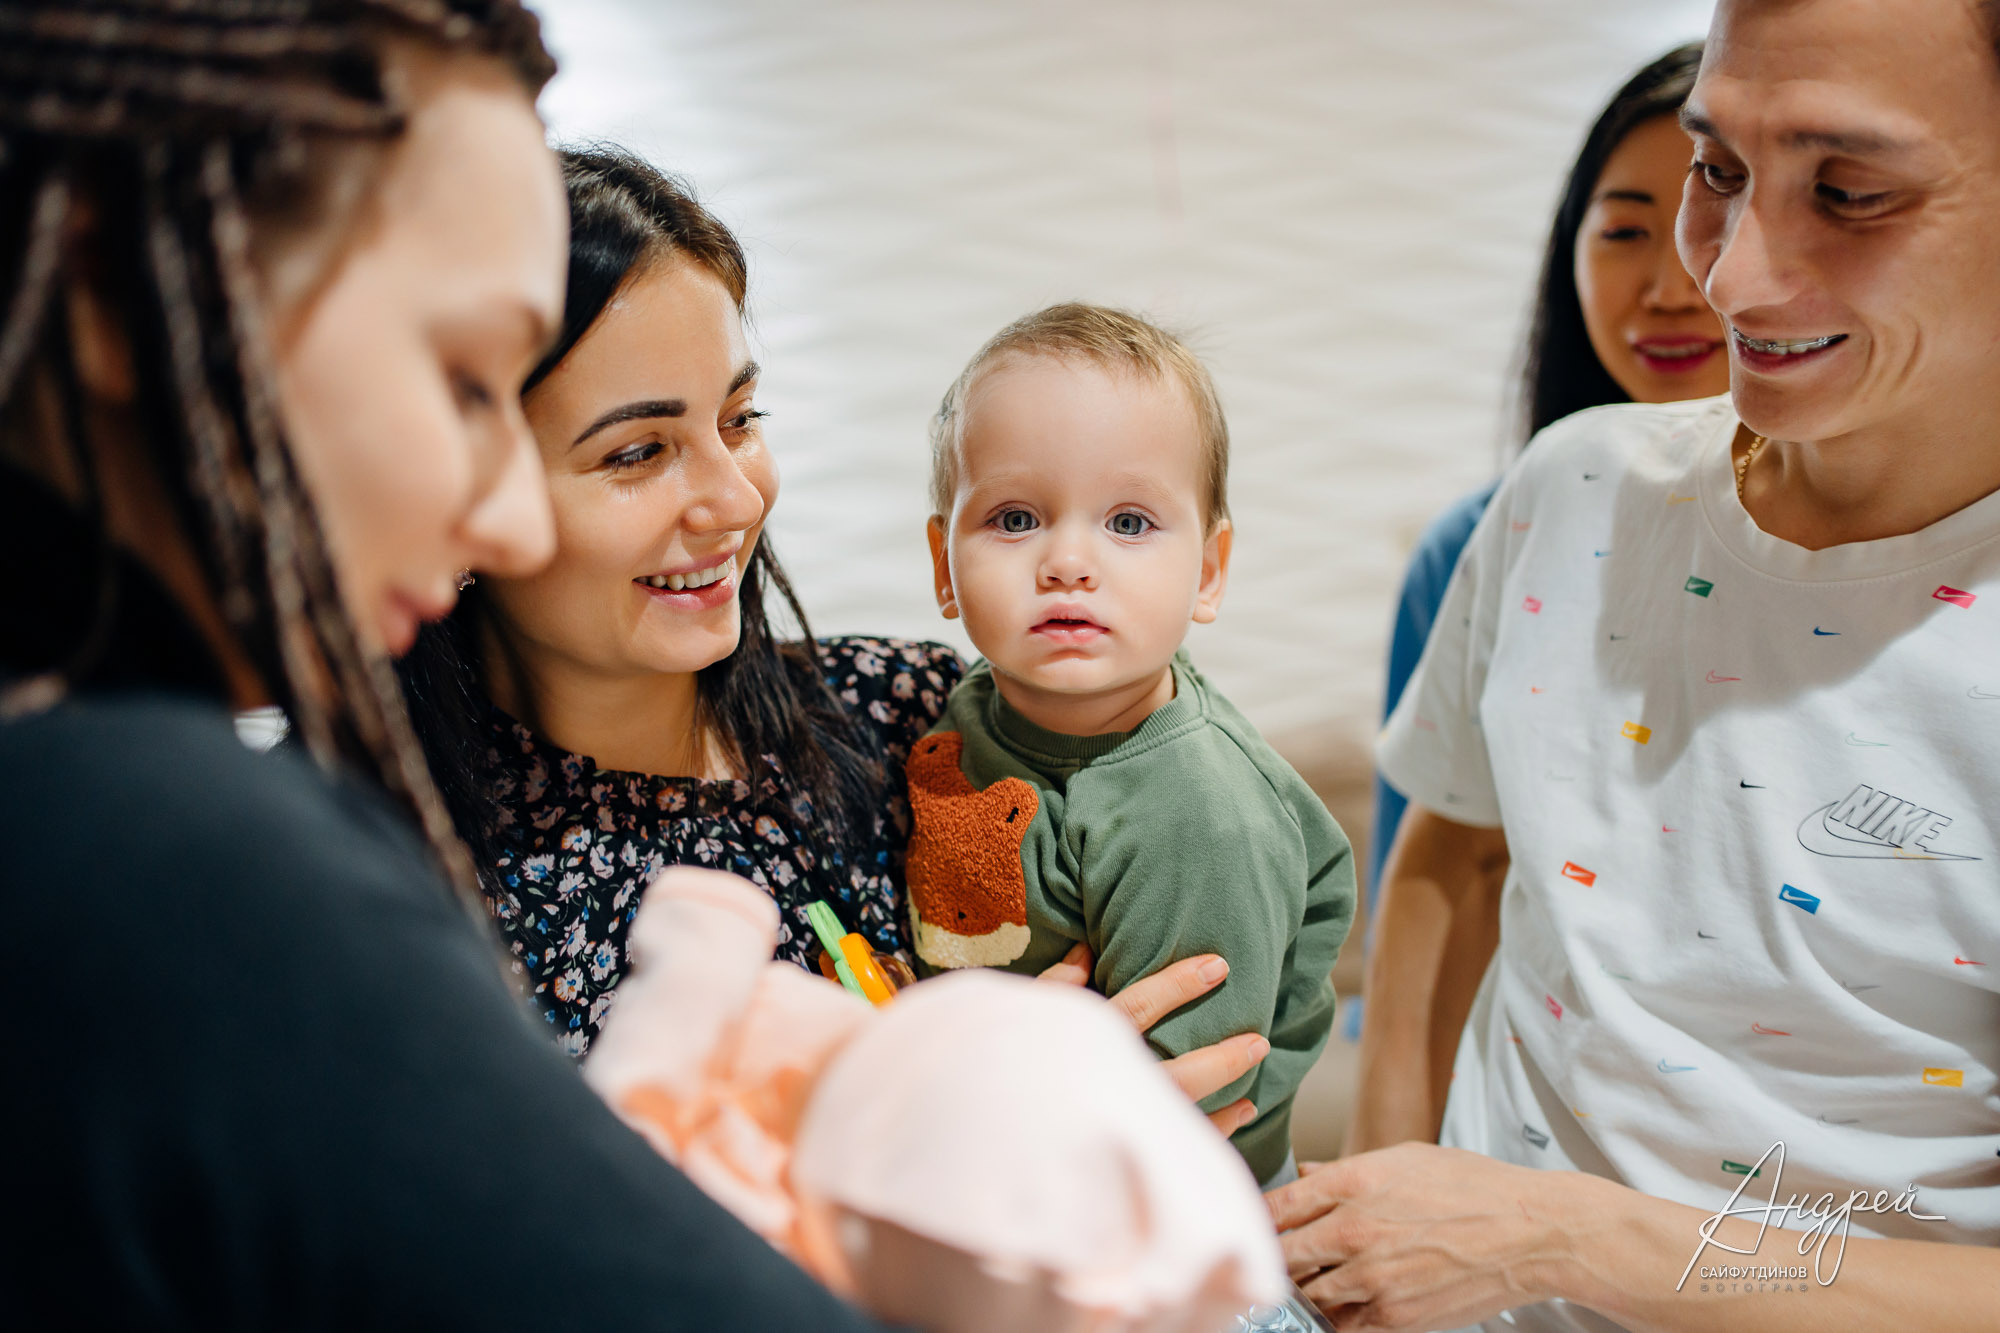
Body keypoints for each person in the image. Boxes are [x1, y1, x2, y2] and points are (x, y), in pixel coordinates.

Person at [0, 3, 1259, 1326]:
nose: (494, 510)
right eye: (461, 379)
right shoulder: (157, 830)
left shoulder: (926, 720)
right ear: (125, 298)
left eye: (740, 418)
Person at [1277, 2, 2000, 1329]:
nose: (1728, 278)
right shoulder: (1575, 485)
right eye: (1719, 172)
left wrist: (1561, 1237)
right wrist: (1391, 1182)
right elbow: (1450, 850)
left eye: (1847, 192)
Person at [399, 147, 962, 1054]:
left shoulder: (914, 720)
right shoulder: (421, 906)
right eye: (637, 452)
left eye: (739, 420)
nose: (738, 500)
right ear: (472, 503)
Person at [910, 302, 1356, 1188]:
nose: (1068, 560)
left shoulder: (1199, 817)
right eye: (1013, 518)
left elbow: (1185, 1108)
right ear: (942, 567)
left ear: (1211, 570)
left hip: (1175, 1219)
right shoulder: (966, 711)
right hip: (995, 1146)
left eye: (1128, 523)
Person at [1367, 43, 1727, 924]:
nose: (1668, 287)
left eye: (1713, 227)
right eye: (1624, 230)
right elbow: (1417, 890)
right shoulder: (1476, 545)